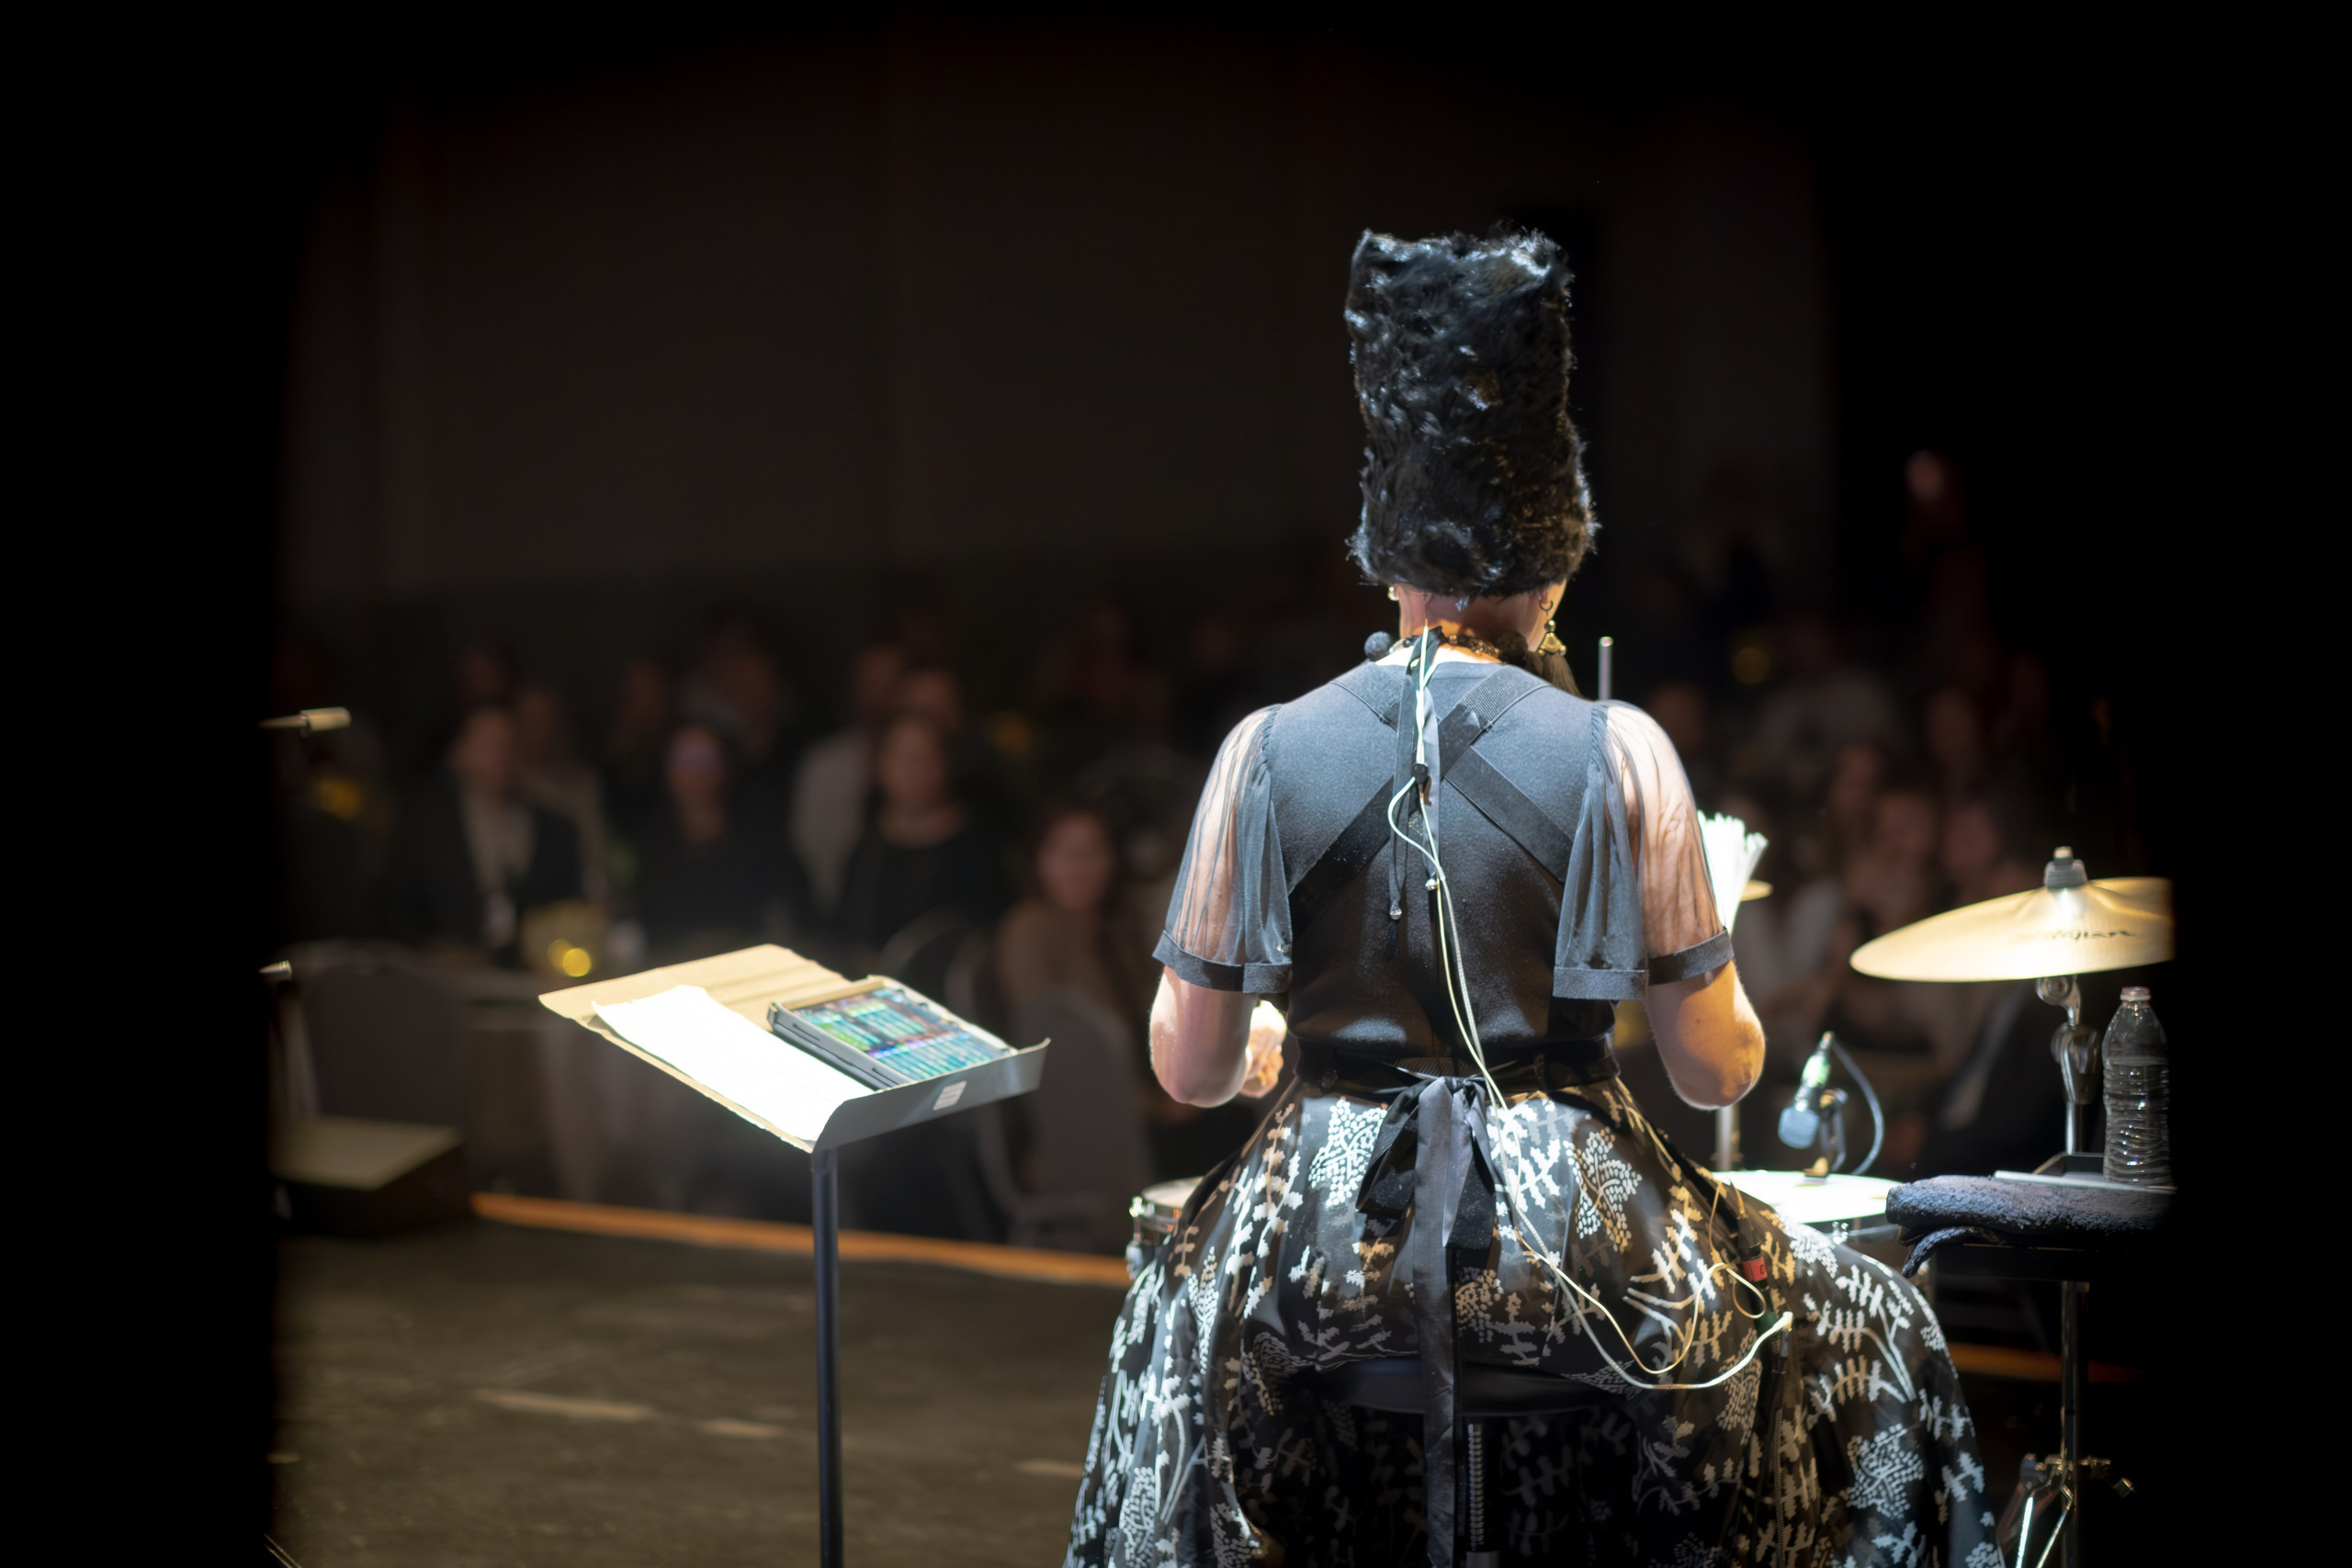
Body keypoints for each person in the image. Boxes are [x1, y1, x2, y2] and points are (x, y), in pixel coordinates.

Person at [1067, 231, 1989, 1566]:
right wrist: (1705, 945)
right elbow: (1718, 1069)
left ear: (1390, 566)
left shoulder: (1261, 746)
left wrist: (1279, 1047)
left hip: (1316, 1252)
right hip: (1573, 1247)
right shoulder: (1625, 750)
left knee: (1169, 1312)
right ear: (1550, 569)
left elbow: (1191, 1067)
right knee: (1862, 1312)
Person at [387, 705, 582, 960]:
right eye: (490, 744)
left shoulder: (556, 830)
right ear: (458, 753)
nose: (501, 755)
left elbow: (574, 911)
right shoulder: (426, 829)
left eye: (510, 744)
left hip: (536, 978)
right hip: (448, 979)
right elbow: (397, 911)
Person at [836, 713, 1009, 961]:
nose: (914, 770)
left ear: (946, 763)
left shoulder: (977, 847)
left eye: (926, 757)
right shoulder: (868, 844)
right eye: (903, 757)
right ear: (880, 765)